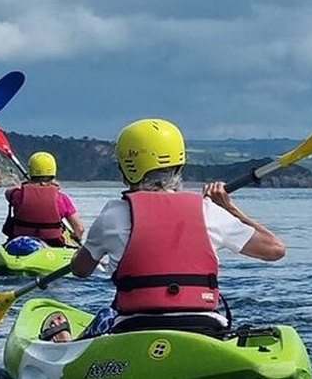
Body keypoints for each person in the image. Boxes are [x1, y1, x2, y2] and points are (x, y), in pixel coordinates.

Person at [41, 118, 286, 342]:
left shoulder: (112, 215)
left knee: (104, 315)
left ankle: (63, 340)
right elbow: (275, 249)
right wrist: (230, 208)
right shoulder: (207, 211)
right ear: (179, 163)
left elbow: (80, 270)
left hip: (134, 328)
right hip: (204, 329)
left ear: (127, 167)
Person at [2, 151, 85, 247]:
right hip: (54, 244)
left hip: (19, 242)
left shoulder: (17, 195)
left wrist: (27, 185)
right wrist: (75, 237)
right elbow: (80, 229)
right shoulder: (62, 198)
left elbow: (8, 193)